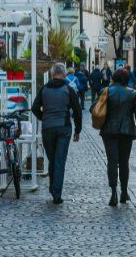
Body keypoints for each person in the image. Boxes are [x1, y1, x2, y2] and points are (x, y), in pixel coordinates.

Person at [31, 63, 83, 204]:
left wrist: (44, 117)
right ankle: (56, 193)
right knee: (60, 161)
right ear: (64, 74)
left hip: (47, 127)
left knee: (52, 159)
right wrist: (78, 129)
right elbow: (77, 110)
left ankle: (53, 187)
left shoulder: (44, 89)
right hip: (63, 127)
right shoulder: (68, 89)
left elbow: (35, 107)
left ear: (52, 73)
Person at [99, 68, 136, 207]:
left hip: (109, 131)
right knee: (124, 162)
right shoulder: (133, 93)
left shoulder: (106, 91)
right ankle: (124, 192)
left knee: (112, 161)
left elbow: (94, 109)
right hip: (127, 131)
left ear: (114, 78)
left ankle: (113, 193)